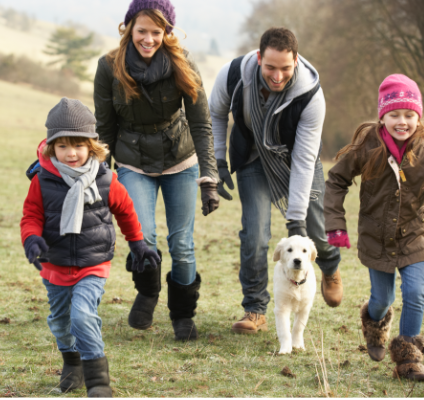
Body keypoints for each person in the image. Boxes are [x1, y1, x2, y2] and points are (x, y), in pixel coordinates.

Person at [94, 0, 220, 342]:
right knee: (143, 236)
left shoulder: (182, 63)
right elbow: (104, 131)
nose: (148, 39)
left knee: (182, 243)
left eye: (156, 32)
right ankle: (148, 293)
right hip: (133, 161)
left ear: (167, 32)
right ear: (129, 28)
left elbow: (201, 124)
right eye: (142, 31)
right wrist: (99, 181)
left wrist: (208, 177)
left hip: (179, 159)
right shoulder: (109, 67)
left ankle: (182, 313)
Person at [20, 98, 160, 398]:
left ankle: (98, 382)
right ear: (50, 148)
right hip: (53, 264)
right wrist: (31, 239)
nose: (71, 153)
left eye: (79, 145)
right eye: (63, 146)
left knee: (82, 315)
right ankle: (73, 363)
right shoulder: (42, 181)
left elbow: (125, 211)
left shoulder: (107, 179)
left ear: (92, 146)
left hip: (93, 264)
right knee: (60, 323)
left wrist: (138, 243)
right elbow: (30, 215)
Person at [209, 27, 342, 334]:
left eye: (285, 68)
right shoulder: (233, 75)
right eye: (270, 67)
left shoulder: (311, 94)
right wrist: (217, 161)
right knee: (255, 236)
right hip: (253, 158)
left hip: (296, 160)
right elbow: (216, 113)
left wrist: (296, 223)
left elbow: (305, 160)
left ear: (296, 60)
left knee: (315, 233)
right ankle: (255, 309)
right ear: (258, 58)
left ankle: (330, 265)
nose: (278, 76)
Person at [325, 74, 424, 381]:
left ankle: (409, 359)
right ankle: (374, 322)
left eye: (409, 115)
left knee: (417, 293)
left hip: (414, 236)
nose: (402, 122)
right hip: (376, 239)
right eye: (395, 115)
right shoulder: (367, 145)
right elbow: (336, 181)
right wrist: (335, 226)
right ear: (383, 116)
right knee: (382, 299)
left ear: (418, 116)